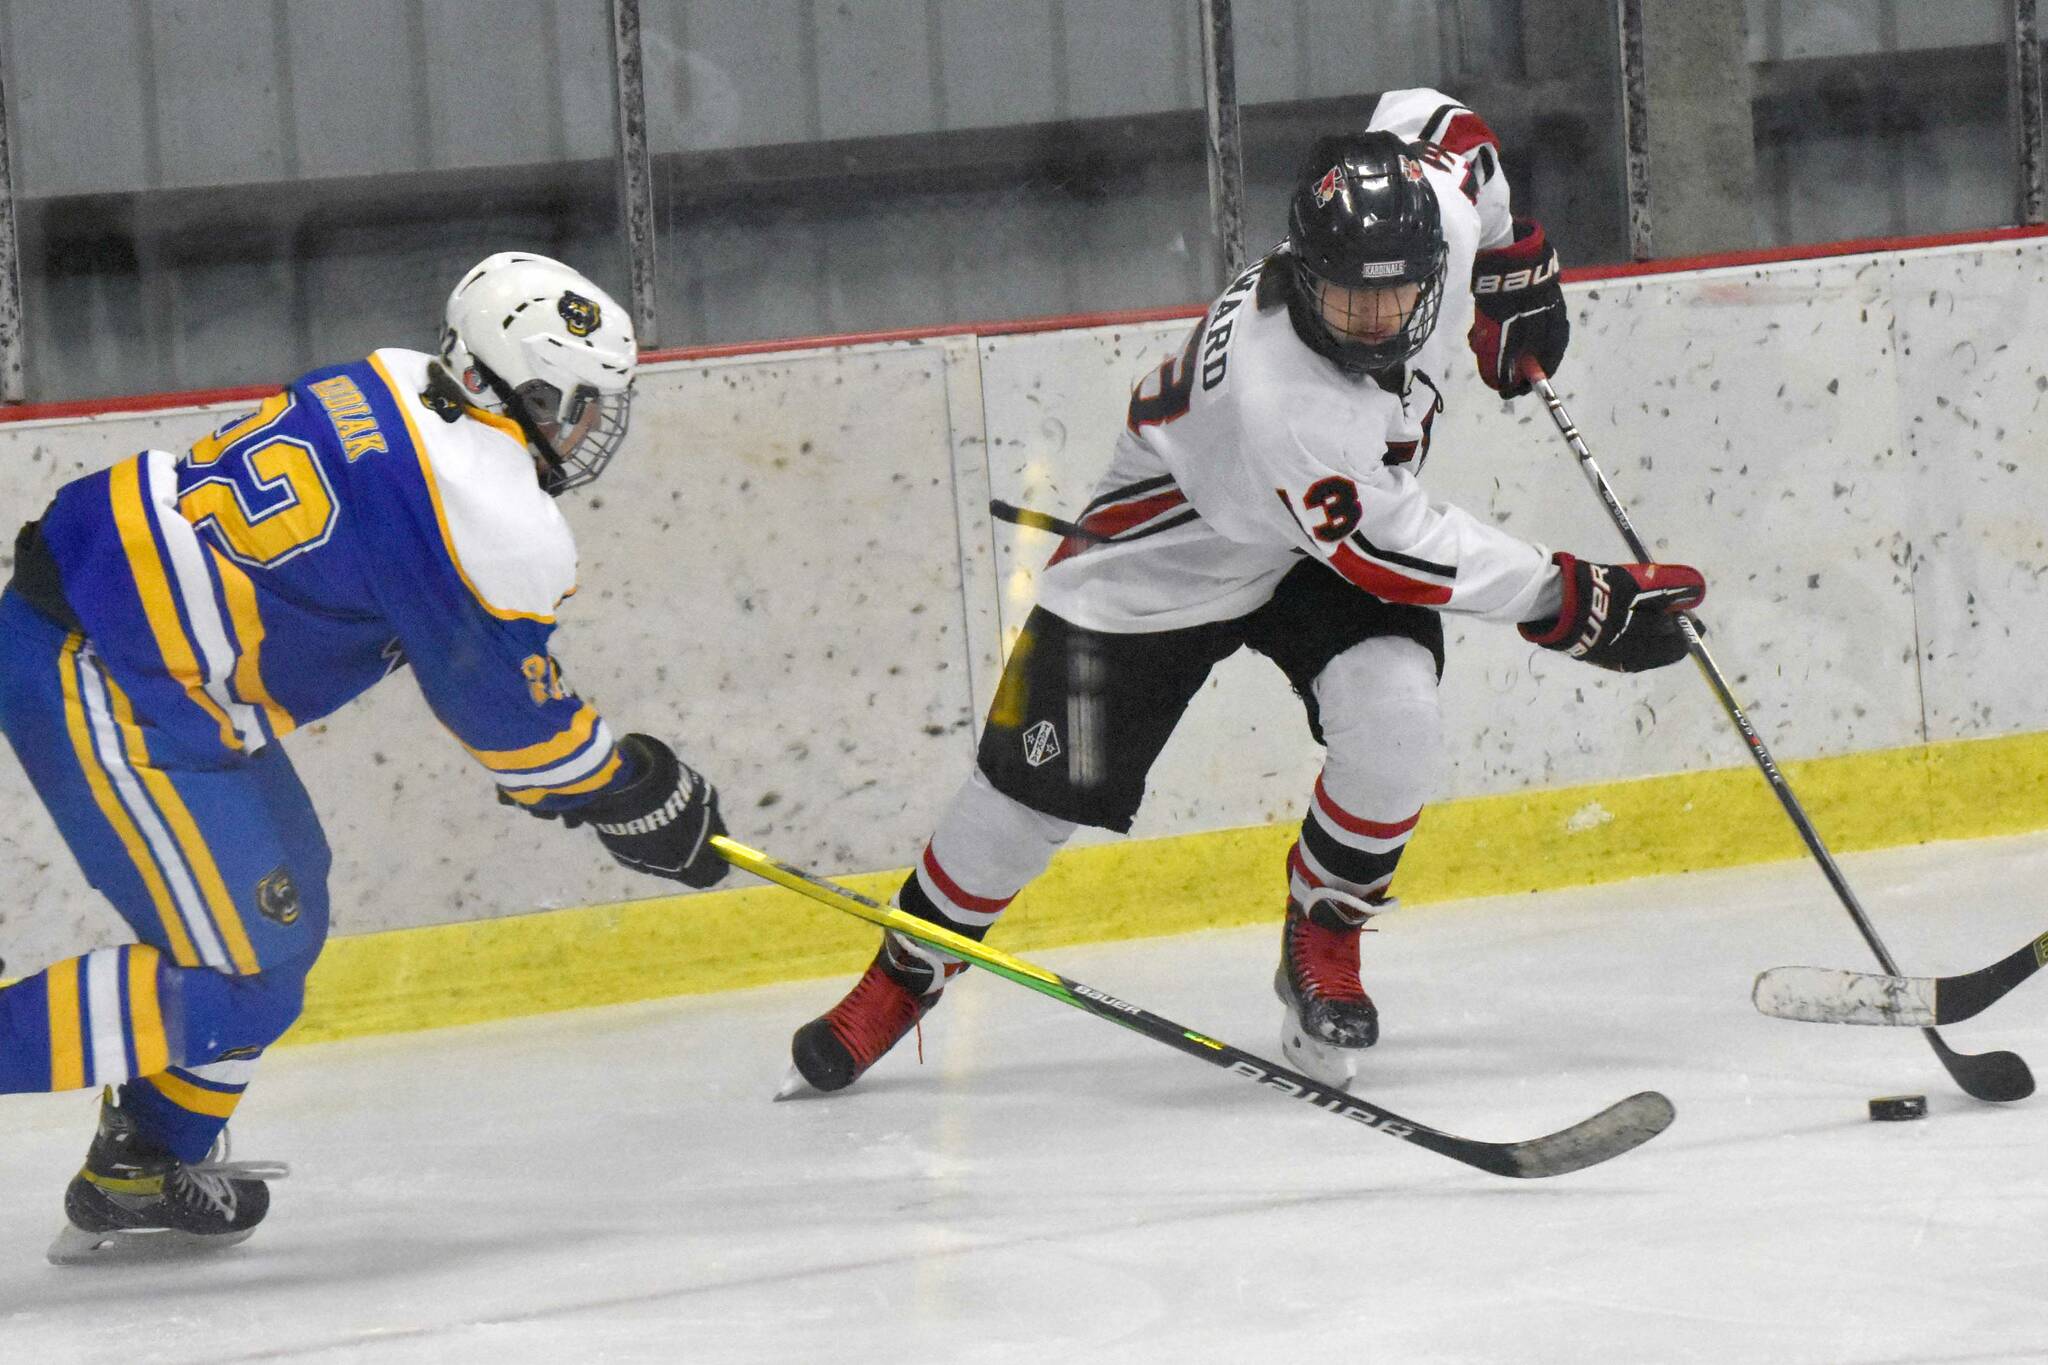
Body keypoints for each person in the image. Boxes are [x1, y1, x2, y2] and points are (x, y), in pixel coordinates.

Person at [784, 91, 1705, 1097]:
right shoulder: (1284, 400)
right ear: (1302, 274)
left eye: (1397, 300)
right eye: (1348, 299)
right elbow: (1393, 555)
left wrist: (1511, 262)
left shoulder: (1424, 218)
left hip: (1316, 546)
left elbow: (1449, 131)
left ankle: (1323, 930)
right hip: (1163, 560)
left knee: (1395, 711)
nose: (1372, 321)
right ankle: (901, 974)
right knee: (1022, 798)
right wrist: (1570, 601)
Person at [0, 252, 731, 1262]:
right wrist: (633, 788)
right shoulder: (492, 513)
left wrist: (610, 782)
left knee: (283, 910)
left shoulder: (389, 376)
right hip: (106, 669)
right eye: (574, 402)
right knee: (247, 973)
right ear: (513, 383)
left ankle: (139, 1166)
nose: (586, 429)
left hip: (151, 661)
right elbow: (513, 731)